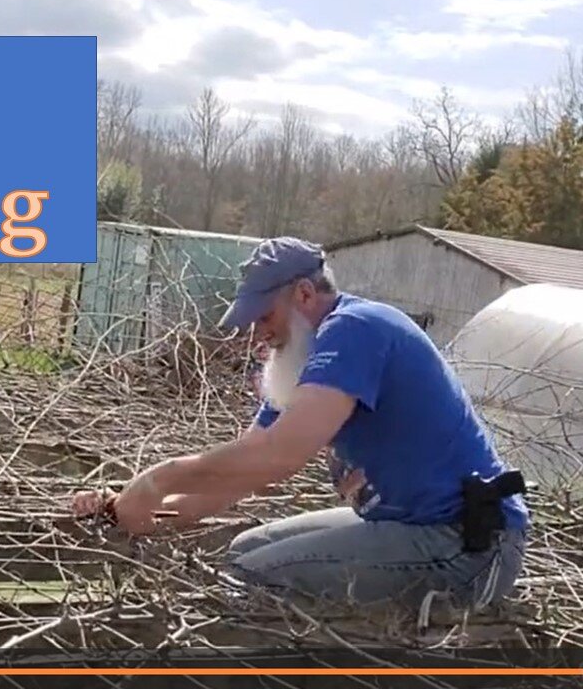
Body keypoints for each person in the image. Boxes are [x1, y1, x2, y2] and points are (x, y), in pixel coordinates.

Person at [71, 236, 530, 610]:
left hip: (464, 543)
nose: (258, 332)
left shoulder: (356, 329)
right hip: (411, 526)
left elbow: (279, 456)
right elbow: (240, 476)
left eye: (264, 315)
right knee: (241, 553)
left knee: (252, 576)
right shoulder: (300, 361)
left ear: (304, 295)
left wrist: (159, 476)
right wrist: (130, 510)